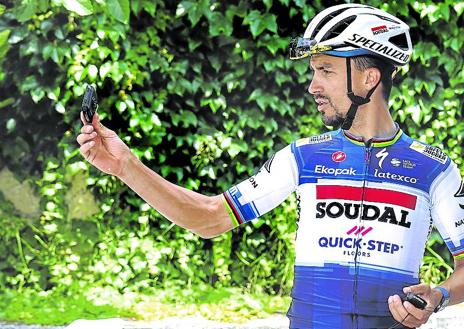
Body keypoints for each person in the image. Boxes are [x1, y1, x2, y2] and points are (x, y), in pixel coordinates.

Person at [76, 4, 464, 329]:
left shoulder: (434, 169)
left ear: (369, 77)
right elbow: (209, 218)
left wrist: (440, 295)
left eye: (325, 70)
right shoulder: (302, 157)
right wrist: (125, 165)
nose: (312, 86)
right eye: (313, 71)